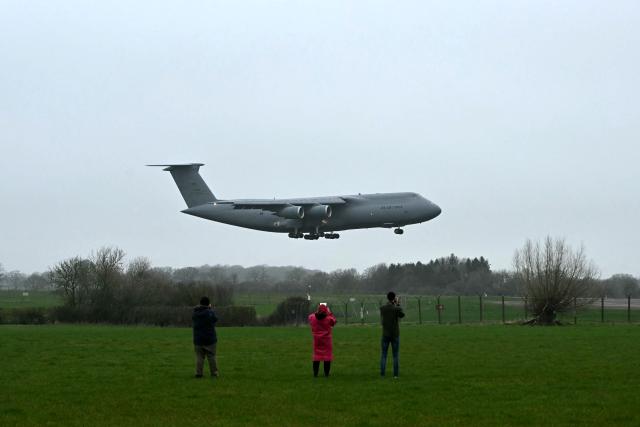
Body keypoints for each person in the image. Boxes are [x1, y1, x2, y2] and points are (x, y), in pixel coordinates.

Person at [380, 291, 405, 378]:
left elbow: (385, 312)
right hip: (395, 334)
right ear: (394, 298)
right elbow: (402, 315)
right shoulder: (396, 309)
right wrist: (397, 304)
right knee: (395, 355)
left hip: (385, 334)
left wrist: (393, 303)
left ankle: (382, 374)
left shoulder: (382, 308)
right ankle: (395, 375)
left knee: (383, 355)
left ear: (387, 298)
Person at [192, 296, 219, 378]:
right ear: (208, 304)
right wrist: (210, 309)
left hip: (198, 339)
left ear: (200, 303)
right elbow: (215, 319)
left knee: (199, 357)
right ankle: (214, 373)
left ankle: (199, 373)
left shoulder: (195, 313)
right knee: (211, 356)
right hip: (209, 339)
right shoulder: (209, 313)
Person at [308, 303, 337, 377]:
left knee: (316, 357)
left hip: (316, 340)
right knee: (327, 357)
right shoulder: (328, 318)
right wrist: (329, 313)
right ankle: (326, 374)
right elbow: (334, 322)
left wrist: (317, 311)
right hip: (327, 341)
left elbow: (310, 317)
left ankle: (315, 374)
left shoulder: (312, 317)